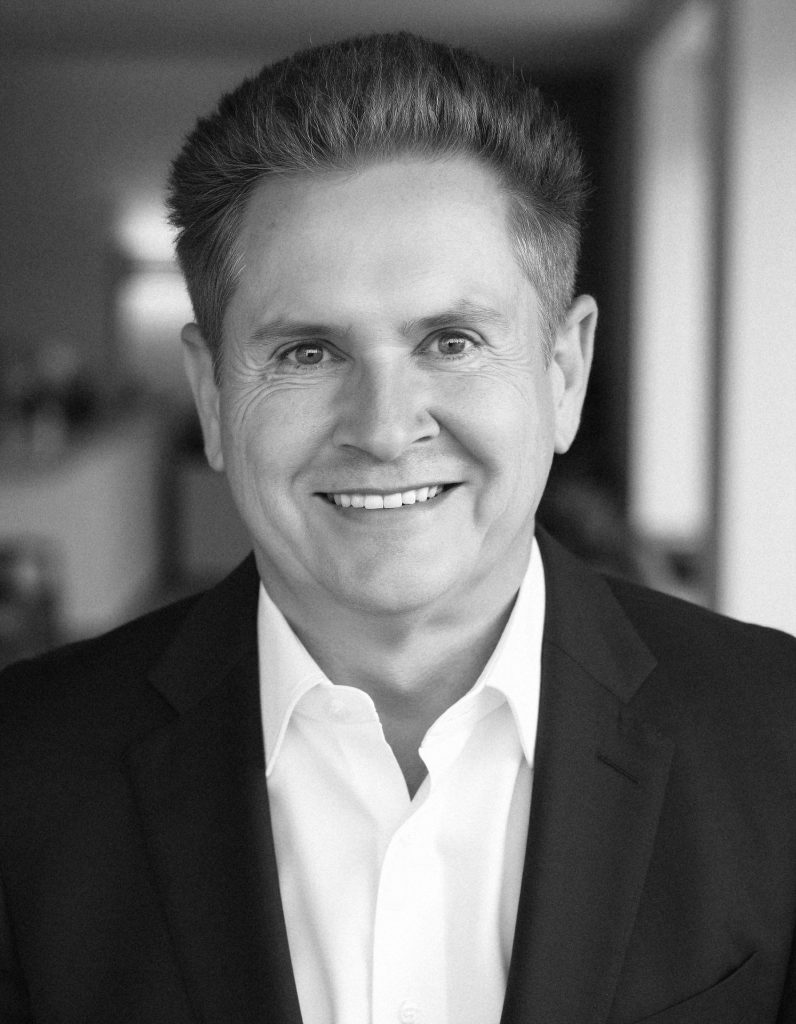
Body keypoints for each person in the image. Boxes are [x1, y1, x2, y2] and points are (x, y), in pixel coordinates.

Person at [1, 32, 795, 1024]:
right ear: (211, 393)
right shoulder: (22, 773)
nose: (383, 430)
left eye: (450, 341)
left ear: (563, 372)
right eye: (307, 352)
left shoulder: (780, 739)